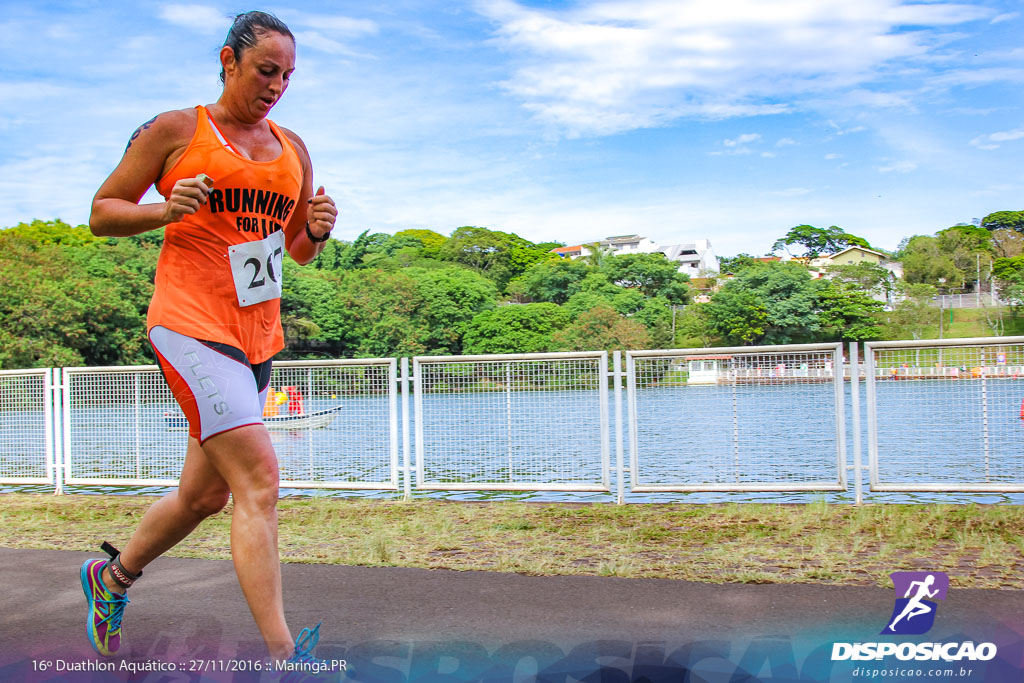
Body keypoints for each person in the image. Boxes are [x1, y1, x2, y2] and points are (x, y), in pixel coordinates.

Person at [82, 10, 338, 672]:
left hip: (256, 335)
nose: (278, 84)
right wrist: (163, 210)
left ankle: (110, 579)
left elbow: (295, 252)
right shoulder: (177, 130)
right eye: (265, 70)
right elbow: (101, 212)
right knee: (260, 478)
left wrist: (318, 227)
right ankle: (286, 655)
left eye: (288, 75)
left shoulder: (293, 148)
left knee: (206, 496)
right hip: (189, 324)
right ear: (228, 61)